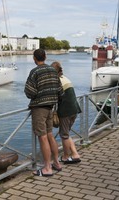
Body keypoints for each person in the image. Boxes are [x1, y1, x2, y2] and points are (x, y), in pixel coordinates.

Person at [25, 49, 63, 177]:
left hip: (39, 108)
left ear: (34, 58)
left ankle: (47, 168)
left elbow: (29, 92)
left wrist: (39, 94)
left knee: (42, 137)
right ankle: (56, 163)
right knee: (50, 134)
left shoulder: (35, 71)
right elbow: (60, 90)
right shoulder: (53, 71)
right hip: (51, 107)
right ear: (45, 57)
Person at [51, 61, 81, 164]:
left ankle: (65, 156)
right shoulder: (65, 78)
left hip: (66, 111)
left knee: (64, 135)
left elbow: (55, 96)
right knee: (66, 134)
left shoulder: (57, 81)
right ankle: (75, 154)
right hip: (74, 109)